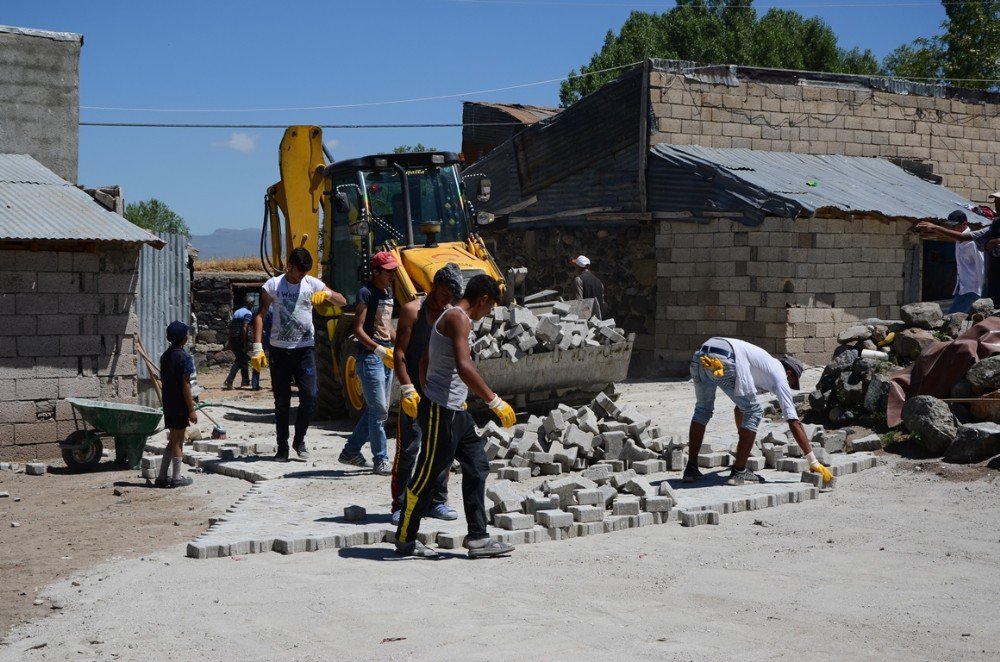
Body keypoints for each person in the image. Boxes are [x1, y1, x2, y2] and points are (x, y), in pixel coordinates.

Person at [394, 274, 518, 559]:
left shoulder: (452, 318)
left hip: (455, 412)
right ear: (483, 299)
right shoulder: (458, 318)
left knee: (477, 465)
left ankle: (478, 538)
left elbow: (426, 359)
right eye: (488, 309)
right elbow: (464, 366)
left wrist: (432, 392)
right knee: (427, 476)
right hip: (443, 411)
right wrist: (493, 400)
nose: (486, 315)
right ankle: (405, 538)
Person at [683, 337, 834, 488]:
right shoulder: (780, 376)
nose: (790, 387)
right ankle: (739, 472)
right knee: (755, 411)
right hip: (725, 358)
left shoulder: (761, 368)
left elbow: (739, 408)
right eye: (793, 382)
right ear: (789, 373)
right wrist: (813, 461)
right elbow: (794, 421)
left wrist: (744, 441)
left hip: (701, 355)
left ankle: (691, 469)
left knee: (702, 410)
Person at [251, 247, 346, 462]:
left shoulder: (311, 284)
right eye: (298, 272)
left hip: (305, 349)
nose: (301, 276)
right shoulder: (273, 285)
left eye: (305, 273)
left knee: (310, 396)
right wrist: (257, 347)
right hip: (280, 351)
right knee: (282, 401)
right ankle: (282, 447)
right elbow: (260, 315)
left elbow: (343, 301)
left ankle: (299, 440)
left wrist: (328, 294)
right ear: (289, 266)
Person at [390, 263, 464, 526]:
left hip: (440, 391)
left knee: (442, 448)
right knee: (409, 448)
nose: (446, 301)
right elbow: (399, 354)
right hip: (414, 390)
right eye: (444, 294)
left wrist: (459, 388)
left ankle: (437, 502)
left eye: (451, 298)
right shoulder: (413, 311)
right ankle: (399, 504)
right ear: (434, 285)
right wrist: (407, 388)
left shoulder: (450, 315)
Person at [340, 251, 399, 475]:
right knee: (379, 411)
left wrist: (399, 344)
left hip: (386, 355)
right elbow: (357, 329)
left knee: (377, 411)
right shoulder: (365, 293)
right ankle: (380, 459)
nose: (392, 275)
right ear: (376, 271)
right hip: (371, 357)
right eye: (388, 271)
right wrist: (378, 348)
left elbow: (386, 326)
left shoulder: (389, 291)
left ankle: (351, 451)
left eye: (393, 270)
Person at [917, 210, 997, 307]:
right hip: (962, 288)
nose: (952, 228)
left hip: (973, 290)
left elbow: (981, 266)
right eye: (950, 226)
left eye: (954, 226)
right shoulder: (958, 241)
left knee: (953, 317)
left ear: (964, 224)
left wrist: (981, 292)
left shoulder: (972, 242)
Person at [156, 321, 197, 488]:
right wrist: (191, 409)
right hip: (180, 404)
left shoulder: (165, 356)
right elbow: (185, 384)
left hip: (169, 402)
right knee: (179, 440)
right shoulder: (185, 357)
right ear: (185, 339)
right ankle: (177, 478)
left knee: (173, 439)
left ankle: (161, 477)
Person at [223, 296, 255, 390]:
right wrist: (245, 342)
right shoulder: (248, 313)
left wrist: (229, 340)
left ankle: (245, 381)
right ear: (250, 304)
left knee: (243, 359)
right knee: (239, 360)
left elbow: (231, 327)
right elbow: (245, 327)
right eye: (252, 304)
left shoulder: (237, 312)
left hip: (234, 337)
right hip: (240, 338)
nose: (253, 305)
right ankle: (229, 380)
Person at [569, 255, 605, 320]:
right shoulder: (599, 282)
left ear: (578, 267)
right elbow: (602, 302)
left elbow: (578, 302)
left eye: (575, 266)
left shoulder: (578, 280)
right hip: (599, 320)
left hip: (586, 320)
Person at [249, 307, 272, 391]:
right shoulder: (273, 310)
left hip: (258, 338)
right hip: (271, 338)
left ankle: (255, 384)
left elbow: (251, 324)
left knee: (257, 360)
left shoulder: (255, 310)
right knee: (273, 362)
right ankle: (275, 384)